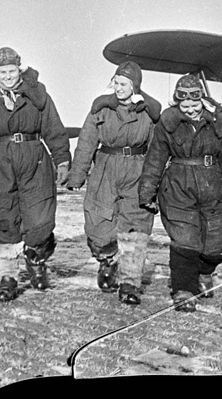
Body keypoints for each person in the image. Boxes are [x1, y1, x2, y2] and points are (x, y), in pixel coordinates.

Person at [138, 73, 222, 313]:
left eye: (194, 103)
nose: (189, 108)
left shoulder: (218, 121)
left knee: (219, 240)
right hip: (177, 186)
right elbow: (155, 159)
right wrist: (147, 192)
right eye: (183, 103)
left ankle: (205, 272)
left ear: (202, 99)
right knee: (185, 239)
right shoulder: (167, 123)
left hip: (213, 184)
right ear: (177, 102)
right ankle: (184, 290)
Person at [0, 47, 71, 302]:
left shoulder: (37, 95)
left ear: (20, 69)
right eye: (2, 72)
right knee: (3, 218)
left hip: (34, 158)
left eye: (12, 71)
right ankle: (7, 277)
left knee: (39, 218)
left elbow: (54, 129)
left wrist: (62, 161)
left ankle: (36, 259)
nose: (7, 76)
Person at [67, 61, 161, 305]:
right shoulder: (101, 108)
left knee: (136, 225)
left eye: (124, 84)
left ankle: (130, 282)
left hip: (137, 169)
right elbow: (87, 142)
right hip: (106, 168)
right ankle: (107, 260)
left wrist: (154, 183)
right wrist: (77, 175)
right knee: (99, 224)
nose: (119, 88)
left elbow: (157, 149)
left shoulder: (148, 112)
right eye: (116, 83)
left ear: (135, 85)